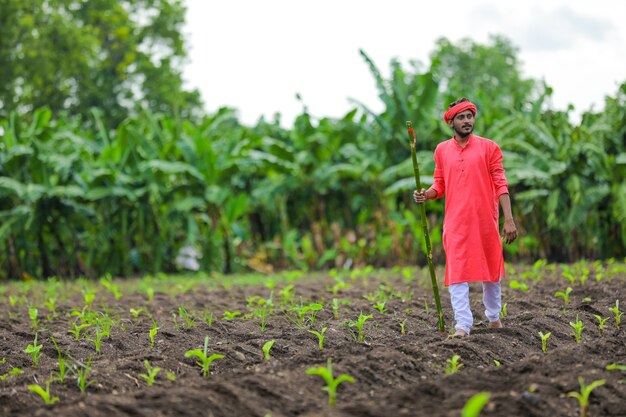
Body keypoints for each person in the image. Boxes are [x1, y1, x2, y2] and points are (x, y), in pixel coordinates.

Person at [413, 97, 517, 338]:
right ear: (452, 122)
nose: (467, 121)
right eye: (461, 117)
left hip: (485, 221)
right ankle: (462, 324)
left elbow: (501, 183)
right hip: (456, 223)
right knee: (457, 271)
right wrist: (426, 194)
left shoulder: (489, 147)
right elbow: (439, 184)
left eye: (469, 116)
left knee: (491, 271)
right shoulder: (441, 150)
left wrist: (508, 218)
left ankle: (493, 317)